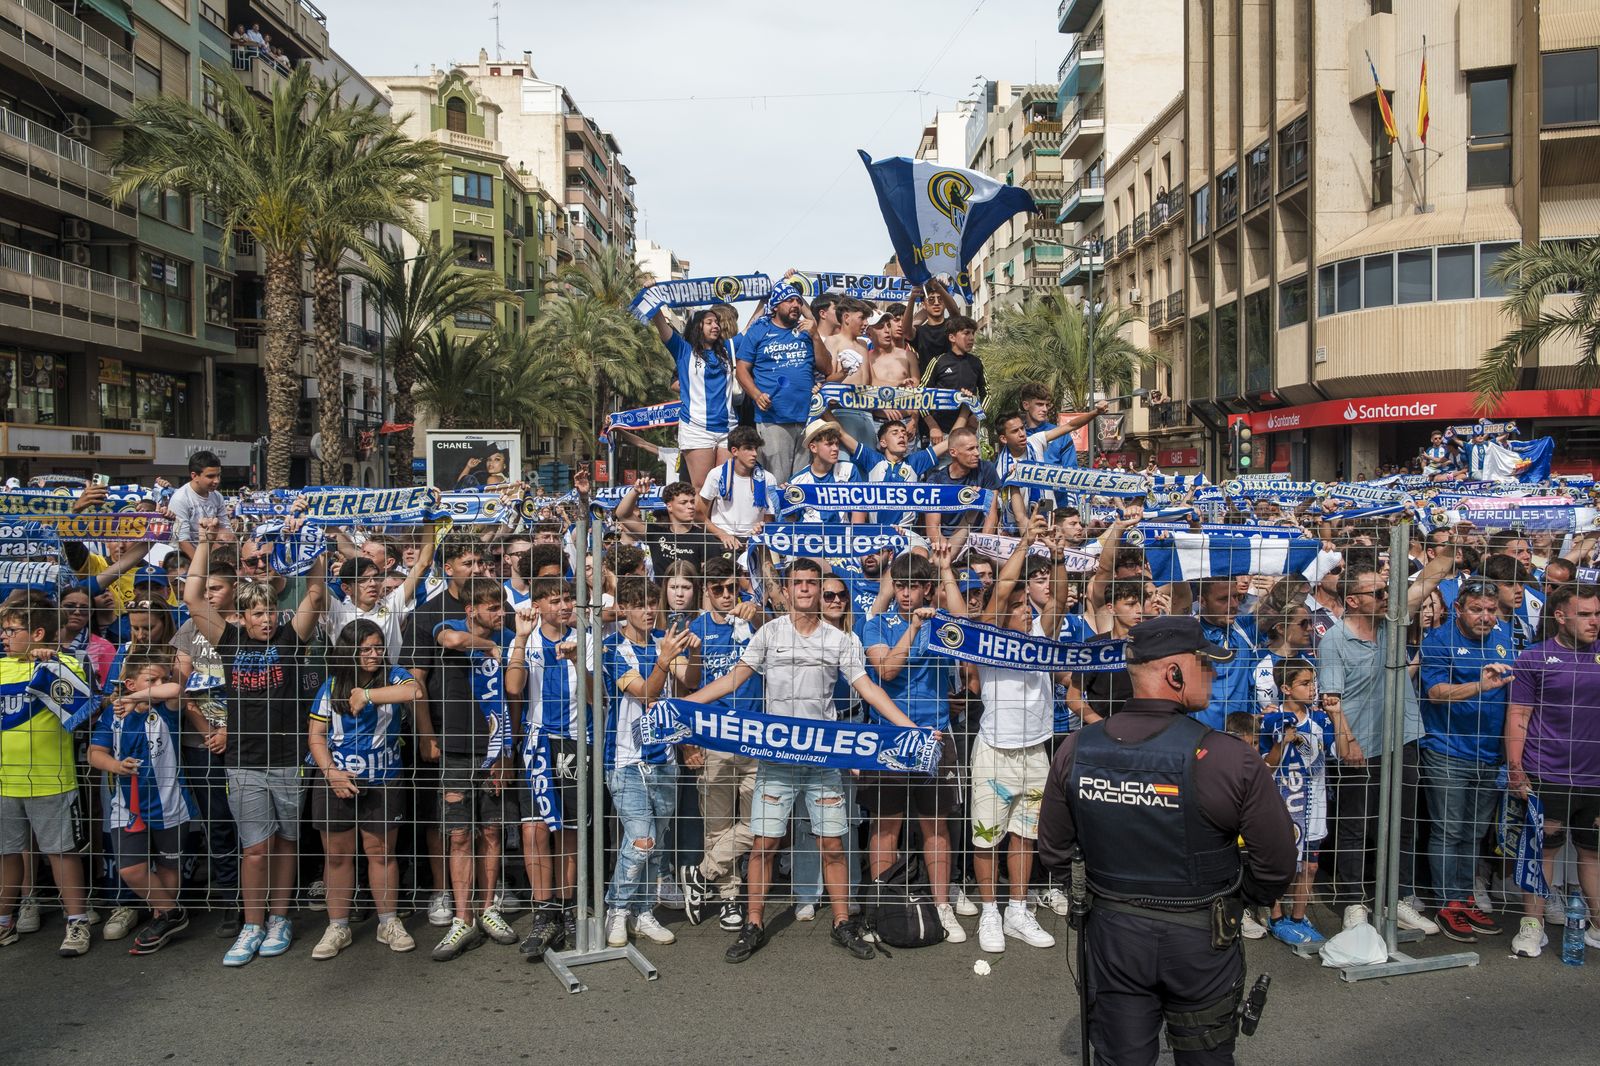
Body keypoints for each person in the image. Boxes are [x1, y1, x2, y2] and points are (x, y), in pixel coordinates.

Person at [1039, 615, 1297, 1066]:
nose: (1214, 675)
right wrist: (1235, 899)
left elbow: (1056, 851)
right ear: (1174, 673)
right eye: (1206, 665)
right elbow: (1275, 864)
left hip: (1114, 933)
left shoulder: (1077, 748)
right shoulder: (1229, 757)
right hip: (1200, 940)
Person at [684, 558, 931, 964]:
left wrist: (910, 729)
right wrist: (682, 705)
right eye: (797, 583)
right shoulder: (768, 633)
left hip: (823, 760)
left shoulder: (839, 640)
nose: (805, 590)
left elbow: (868, 688)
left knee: (832, 844)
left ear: (819, 589)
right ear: (785, 590)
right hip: (777, 758)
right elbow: (732, 680)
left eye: (812, 583)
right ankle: (754, 923)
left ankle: (841, 923)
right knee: (764, 844)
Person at [184, 515, 327, 967]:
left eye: (271, 612)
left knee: (286, 842)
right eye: (258, 613)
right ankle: (252, 923)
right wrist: (205, 542)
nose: (267, 620)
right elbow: (191, 596)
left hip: (288, 759)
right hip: (243, 761)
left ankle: (279, 918)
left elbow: (316, 593)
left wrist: (315, 539)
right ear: (241, 617)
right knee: (254, 848)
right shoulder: (226, 641)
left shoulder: (289, 639)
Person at [1318, 557, 1450, 936]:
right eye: (1378, 593)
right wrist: (1351, 742)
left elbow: (1431, 577)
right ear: (1354, 600)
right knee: (1356, 828)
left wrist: (1451, 543)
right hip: (1359, 744)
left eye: (1387, 591)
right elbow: (1331, 700)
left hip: (1402, 738)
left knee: (1404, 824)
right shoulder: (1335, 640)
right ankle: (1352, 903)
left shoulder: (1392, 626)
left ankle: (1400, 899)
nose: (1386, 598)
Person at [970, 516, 1070, 953]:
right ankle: (990, 912)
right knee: (986, 837)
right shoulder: (987, 639)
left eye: (1027, 608)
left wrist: (1061, 559)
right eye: (1017, 607)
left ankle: (1016, 909)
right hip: (994, 750)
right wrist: (1025, 544)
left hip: (1035, 752)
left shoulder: (1040, 636)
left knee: (1025, 835)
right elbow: (996, 597)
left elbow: (1060, 604)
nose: (1026, 612)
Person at [305, 620, 422, 959]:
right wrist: (331, 773)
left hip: (383, 778)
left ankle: (388, 921)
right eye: (366, 649)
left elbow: (415, 691)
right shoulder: (330, 687)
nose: (374, 654)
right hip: (337, 780)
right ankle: (337, 925)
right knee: (338, 856)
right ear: (350, 652)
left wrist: (367, 695)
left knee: (382, 853)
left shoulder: (393, 674)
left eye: (378, 647)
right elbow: (315, 736)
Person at [427, 578, 523, 961]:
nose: (501, 613)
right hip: (456, 751)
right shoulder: (448, 625)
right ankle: (462, 917)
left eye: (503, 606)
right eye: (493, 608)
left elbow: (515, 695)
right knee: (460, 836)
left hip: (496, 750)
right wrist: (492, 646)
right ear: (471, 611)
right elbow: (452, 642)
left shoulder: (513, 637)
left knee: (492, 830)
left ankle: (488, 909)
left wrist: (509, 752)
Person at [602, 577, 698, 948]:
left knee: (654, 843)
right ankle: (618, 908)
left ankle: (644, 912)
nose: (647, 610)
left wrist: (696, 652)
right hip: (626, 759)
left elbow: (689, 680)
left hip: (665, 758)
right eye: (638, 604)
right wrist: (664, 660)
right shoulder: (614, 647)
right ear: (623, 609)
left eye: (650, 603)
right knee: (641, 839)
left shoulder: (664, 640)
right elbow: (645, 693)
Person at [0, 591, 97, 955]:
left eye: (11, 630)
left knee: (61, 854)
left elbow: (82, 706)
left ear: (38, 635)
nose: (4, 636)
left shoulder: (65, 664)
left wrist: (52, 663)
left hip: (50, 780)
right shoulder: (1, 665)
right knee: (7, 855)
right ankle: (4, 921)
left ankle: (76, 922)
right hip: (3, 781)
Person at [1506, 582, 1600, 959]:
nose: (1595, 622)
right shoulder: (1533, 658)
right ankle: (1533, 926)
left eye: (1598, 614)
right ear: (1560, 617)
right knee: (1542, 853)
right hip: (1547, 773)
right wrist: (1516, 769)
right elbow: (1518, 716)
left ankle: (1597, 925)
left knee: (1593, 853)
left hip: (1595, 777)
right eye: (1585, 614)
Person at [1419, 579, 1512, 942]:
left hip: (1490, 755)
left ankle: (1464, 898)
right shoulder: (1439, 641)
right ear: (1459, 609)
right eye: (1477, 609)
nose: (1485, 617)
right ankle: (1447, 904)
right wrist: (1480, 686)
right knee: (1449, 830)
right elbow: (1436, 693)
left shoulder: (1504, 638)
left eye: (1491, 610)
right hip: (1448, 751)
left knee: (1474, 833)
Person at [87, 648, 195, 955]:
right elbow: (95, 754)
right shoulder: (114, 715)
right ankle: (172, 913)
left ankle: (162, 920)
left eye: (161, 678)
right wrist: (117, 767)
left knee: (168, 866)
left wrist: (136, 698)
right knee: (131, 868)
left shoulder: (166, 707)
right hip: (127, 803)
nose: (159, 684)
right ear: (130, 682)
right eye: (150, 679)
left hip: (171, 802)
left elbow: (175, 688)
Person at [679, 557, 763, 931]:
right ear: (706, 592)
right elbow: (684, 686)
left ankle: (700, 873)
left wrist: (756, 614)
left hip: (756, 736)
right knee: (717, 826)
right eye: (718, 589)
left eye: (733, 587)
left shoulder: (756, 621)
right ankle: (730, 899)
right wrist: (688, 743)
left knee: (757, 823)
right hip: (712, 737)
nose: (727, 596)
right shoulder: (692, 628)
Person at [1260, 657, 1335, 946]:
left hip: (1314, 803)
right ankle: (1276, 917)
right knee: (1284, 863)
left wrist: (1338, 716)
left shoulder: (1320, 719)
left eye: (1313, 682)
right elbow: (1266, 764)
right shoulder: (1270, 719)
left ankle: (1298, 917)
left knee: (1310, 866)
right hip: (1284, 802)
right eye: (1305, 683)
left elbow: (1341, 750)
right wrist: (1283, 742)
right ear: (1286, 688)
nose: (1313, 688)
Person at [736, 281, 827, 479]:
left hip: (807, 416)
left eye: (798, 301)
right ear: (776, 305)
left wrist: (816, 336)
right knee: (777, 481)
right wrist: (756, 394)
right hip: (773, 418)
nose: (796, 305)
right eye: (789, 300)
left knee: (803, 481)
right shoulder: (759, 330)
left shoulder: (807, 331)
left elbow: (826, 367)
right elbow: (741, 370)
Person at [650, 307, 736, 491]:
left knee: (726, 487)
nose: (715, 326)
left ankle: (720, 521)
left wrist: (763, 300)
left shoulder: (729, 349)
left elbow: (751, 327)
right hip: (696, 428)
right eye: (709, 322)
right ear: (698, 327)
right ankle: (704, 522)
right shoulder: (683, 349)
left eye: (717, 322)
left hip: (727, 428)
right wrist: (653, 296)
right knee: (703, 488)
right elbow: (660, 324)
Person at [918, 314, 984, 444]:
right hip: (940, 433)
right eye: (966, 333)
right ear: (952, 337)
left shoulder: (976, 362)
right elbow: (920, 394)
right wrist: (932, 426)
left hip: (968, 432)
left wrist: (977, 416)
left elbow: (987, 392)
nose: (971, 338)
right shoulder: (938, 361)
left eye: (973, 333)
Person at [168, 450, 232, 559]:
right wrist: (203, 567)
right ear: (194, 476)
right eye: (210, 476)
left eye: (218, 475)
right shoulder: (180, 499)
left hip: (211, 557)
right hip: (183, 559)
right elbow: (182, 541)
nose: (216, 481)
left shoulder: (217, 496)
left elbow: (226, 529)